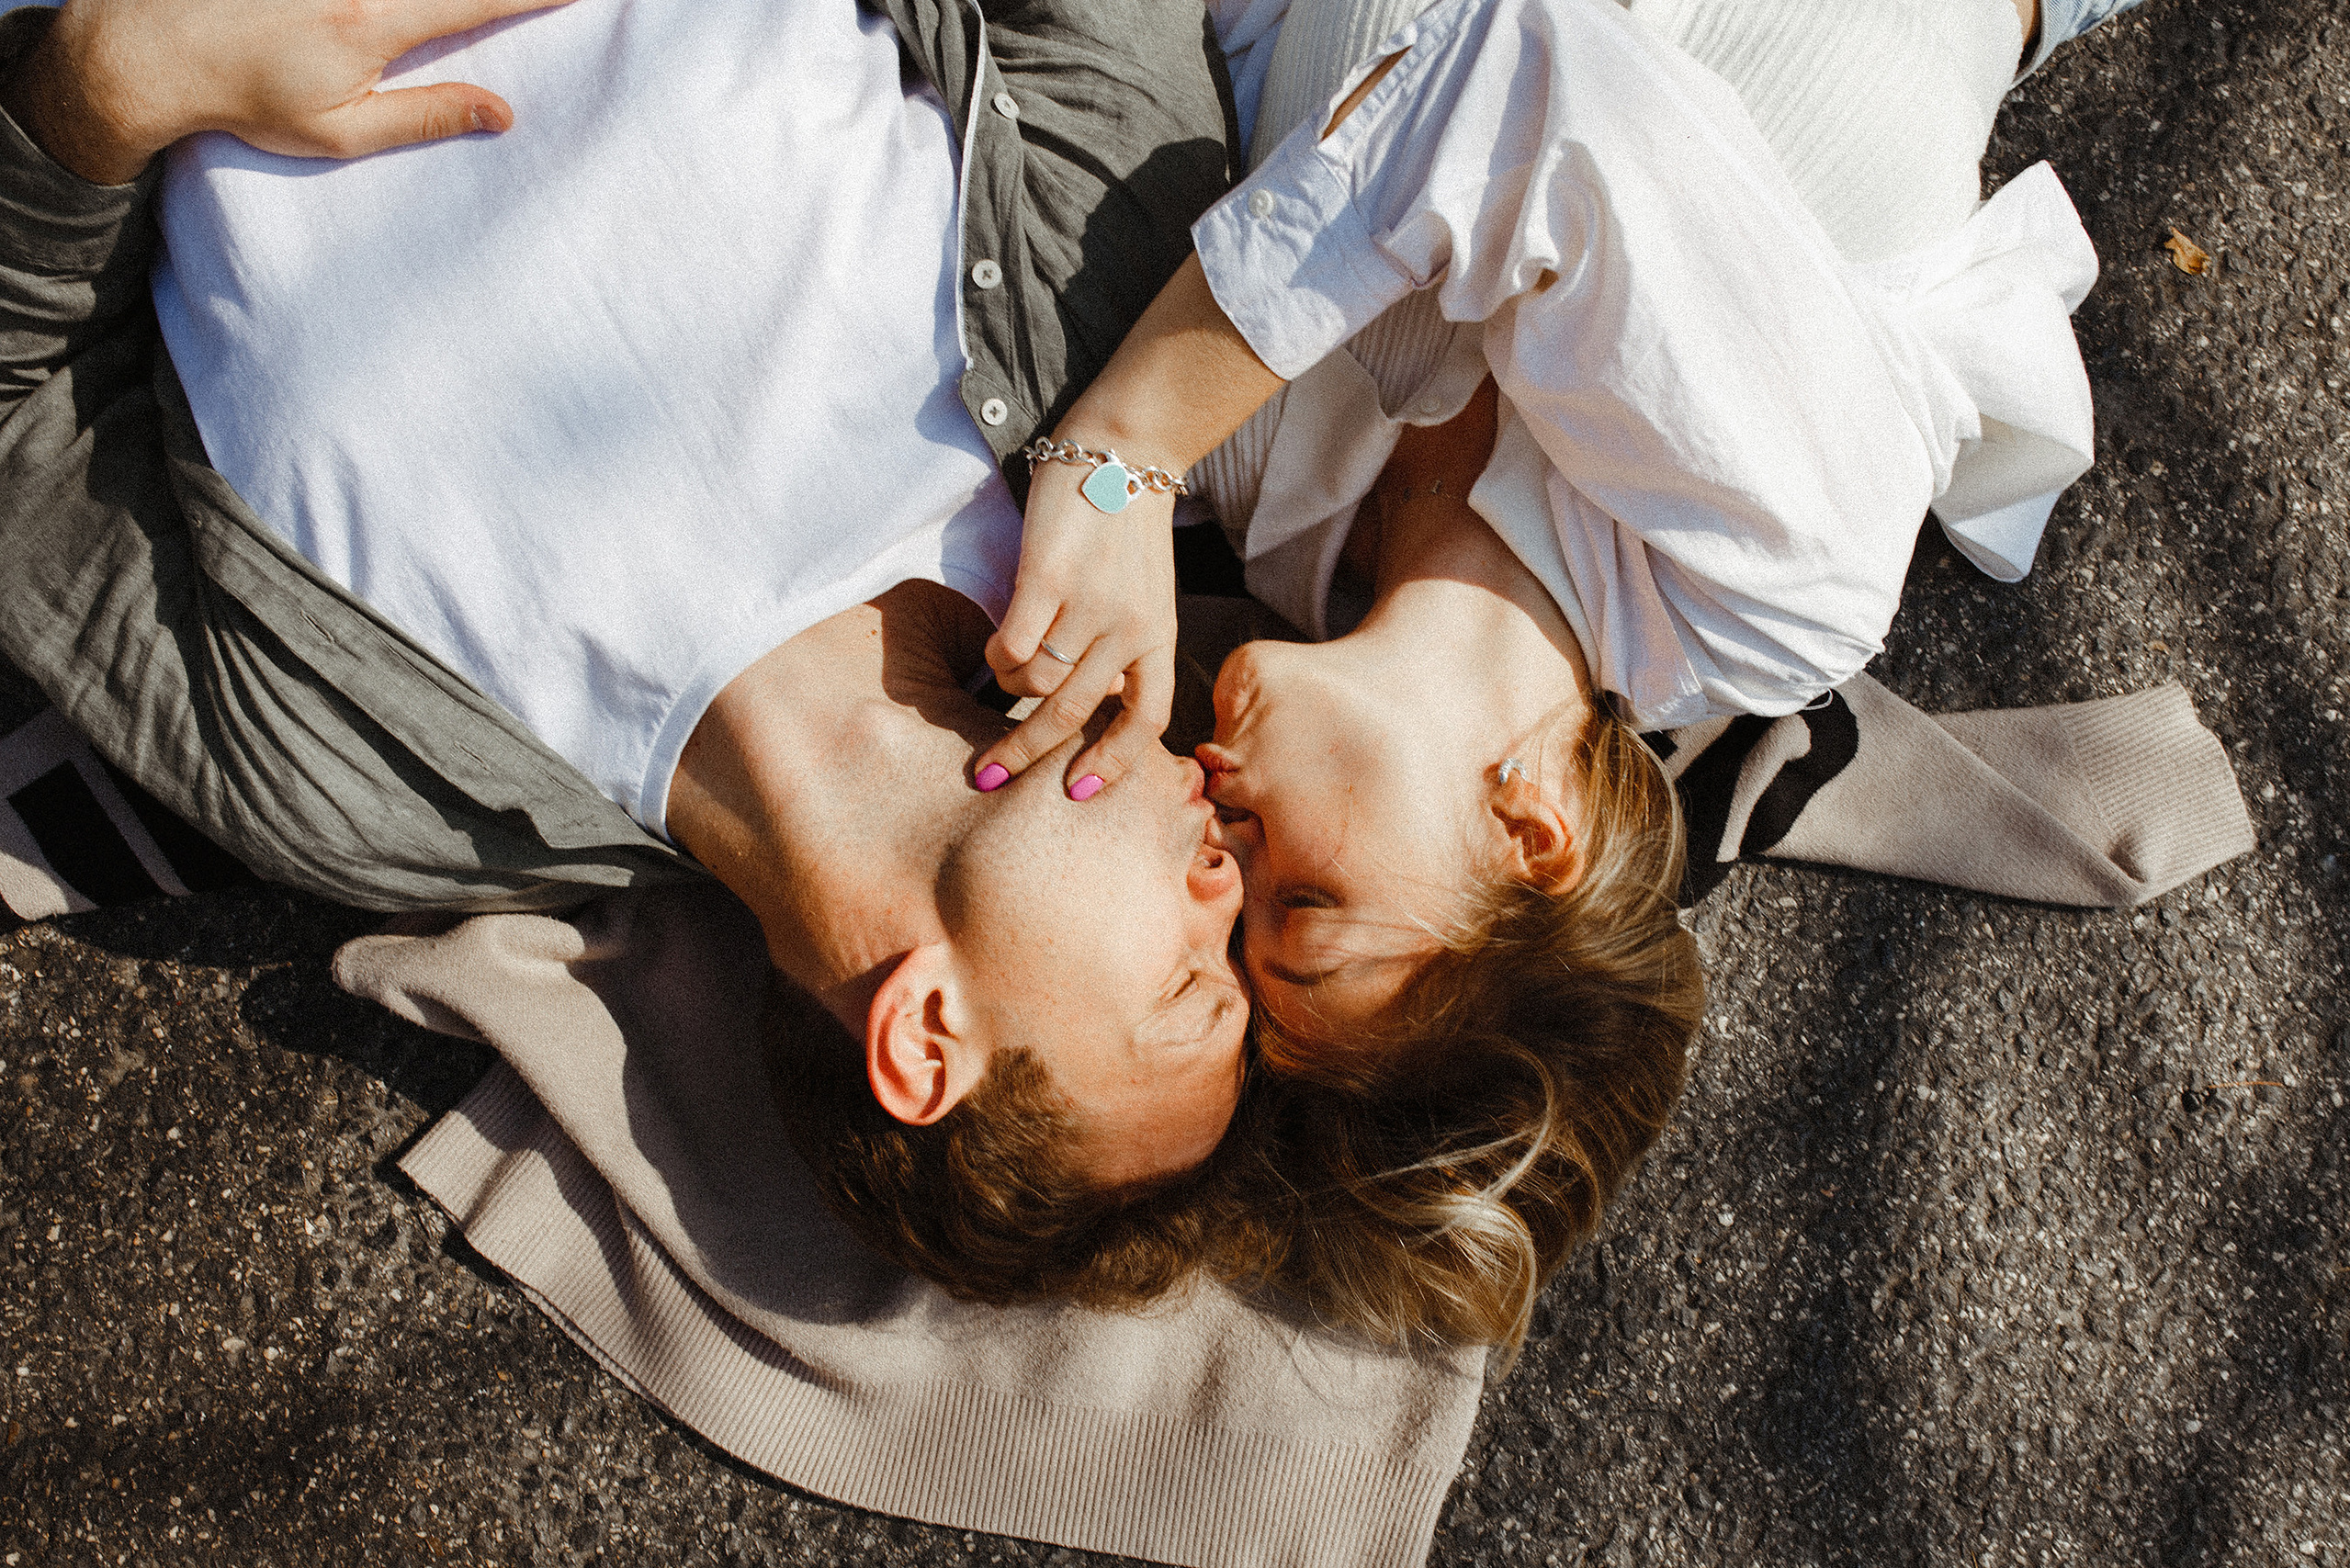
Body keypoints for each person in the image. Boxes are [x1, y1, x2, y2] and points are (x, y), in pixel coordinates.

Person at [0, 0, 1255, 1303]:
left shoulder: (351, 789)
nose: (1231, 883)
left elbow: (23, 410)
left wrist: (110, 79)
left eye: (1190, 984)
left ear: (927, 1037)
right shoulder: (1111, 357)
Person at [970, 0, 2136, 1349]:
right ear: (1533, 829)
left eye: (1234, 923)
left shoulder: (1261, 488)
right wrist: (1129, 439)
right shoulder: (1761, 590)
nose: (1222, 862)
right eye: (1309, 899)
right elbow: (1528, 88)